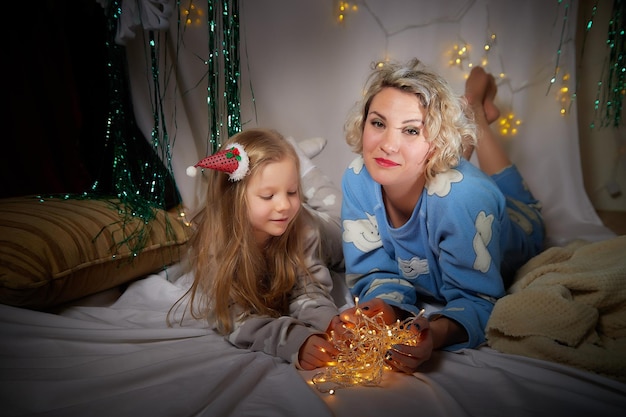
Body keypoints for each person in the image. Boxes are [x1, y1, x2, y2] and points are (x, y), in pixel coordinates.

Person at [339, 59, 545, 373]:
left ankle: (475, 109)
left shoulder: (467, 199)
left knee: (465, 189)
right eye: (378, 123)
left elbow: (477, 299)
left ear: (435, 143)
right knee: (434, 175)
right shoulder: (358, 178)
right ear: (364, 122)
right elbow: (374, 271)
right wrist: (384, 307)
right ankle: (459, 122)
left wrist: (435, 333)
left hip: (517, 219)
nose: (387, 146)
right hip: (438, 178)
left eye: (410, 129)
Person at [169, 128, 344, 370]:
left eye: (292, 192)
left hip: (330, 229)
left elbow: (308, 289)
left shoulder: (302, 227)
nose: (284, 205)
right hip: (296, 220)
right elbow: (231, 318)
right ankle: (293, 160)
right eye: (268, 195)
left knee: (340, 212)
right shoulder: (216, 244)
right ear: (235, 198)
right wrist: (293, 340)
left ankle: (300, 162)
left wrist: (330, 322)